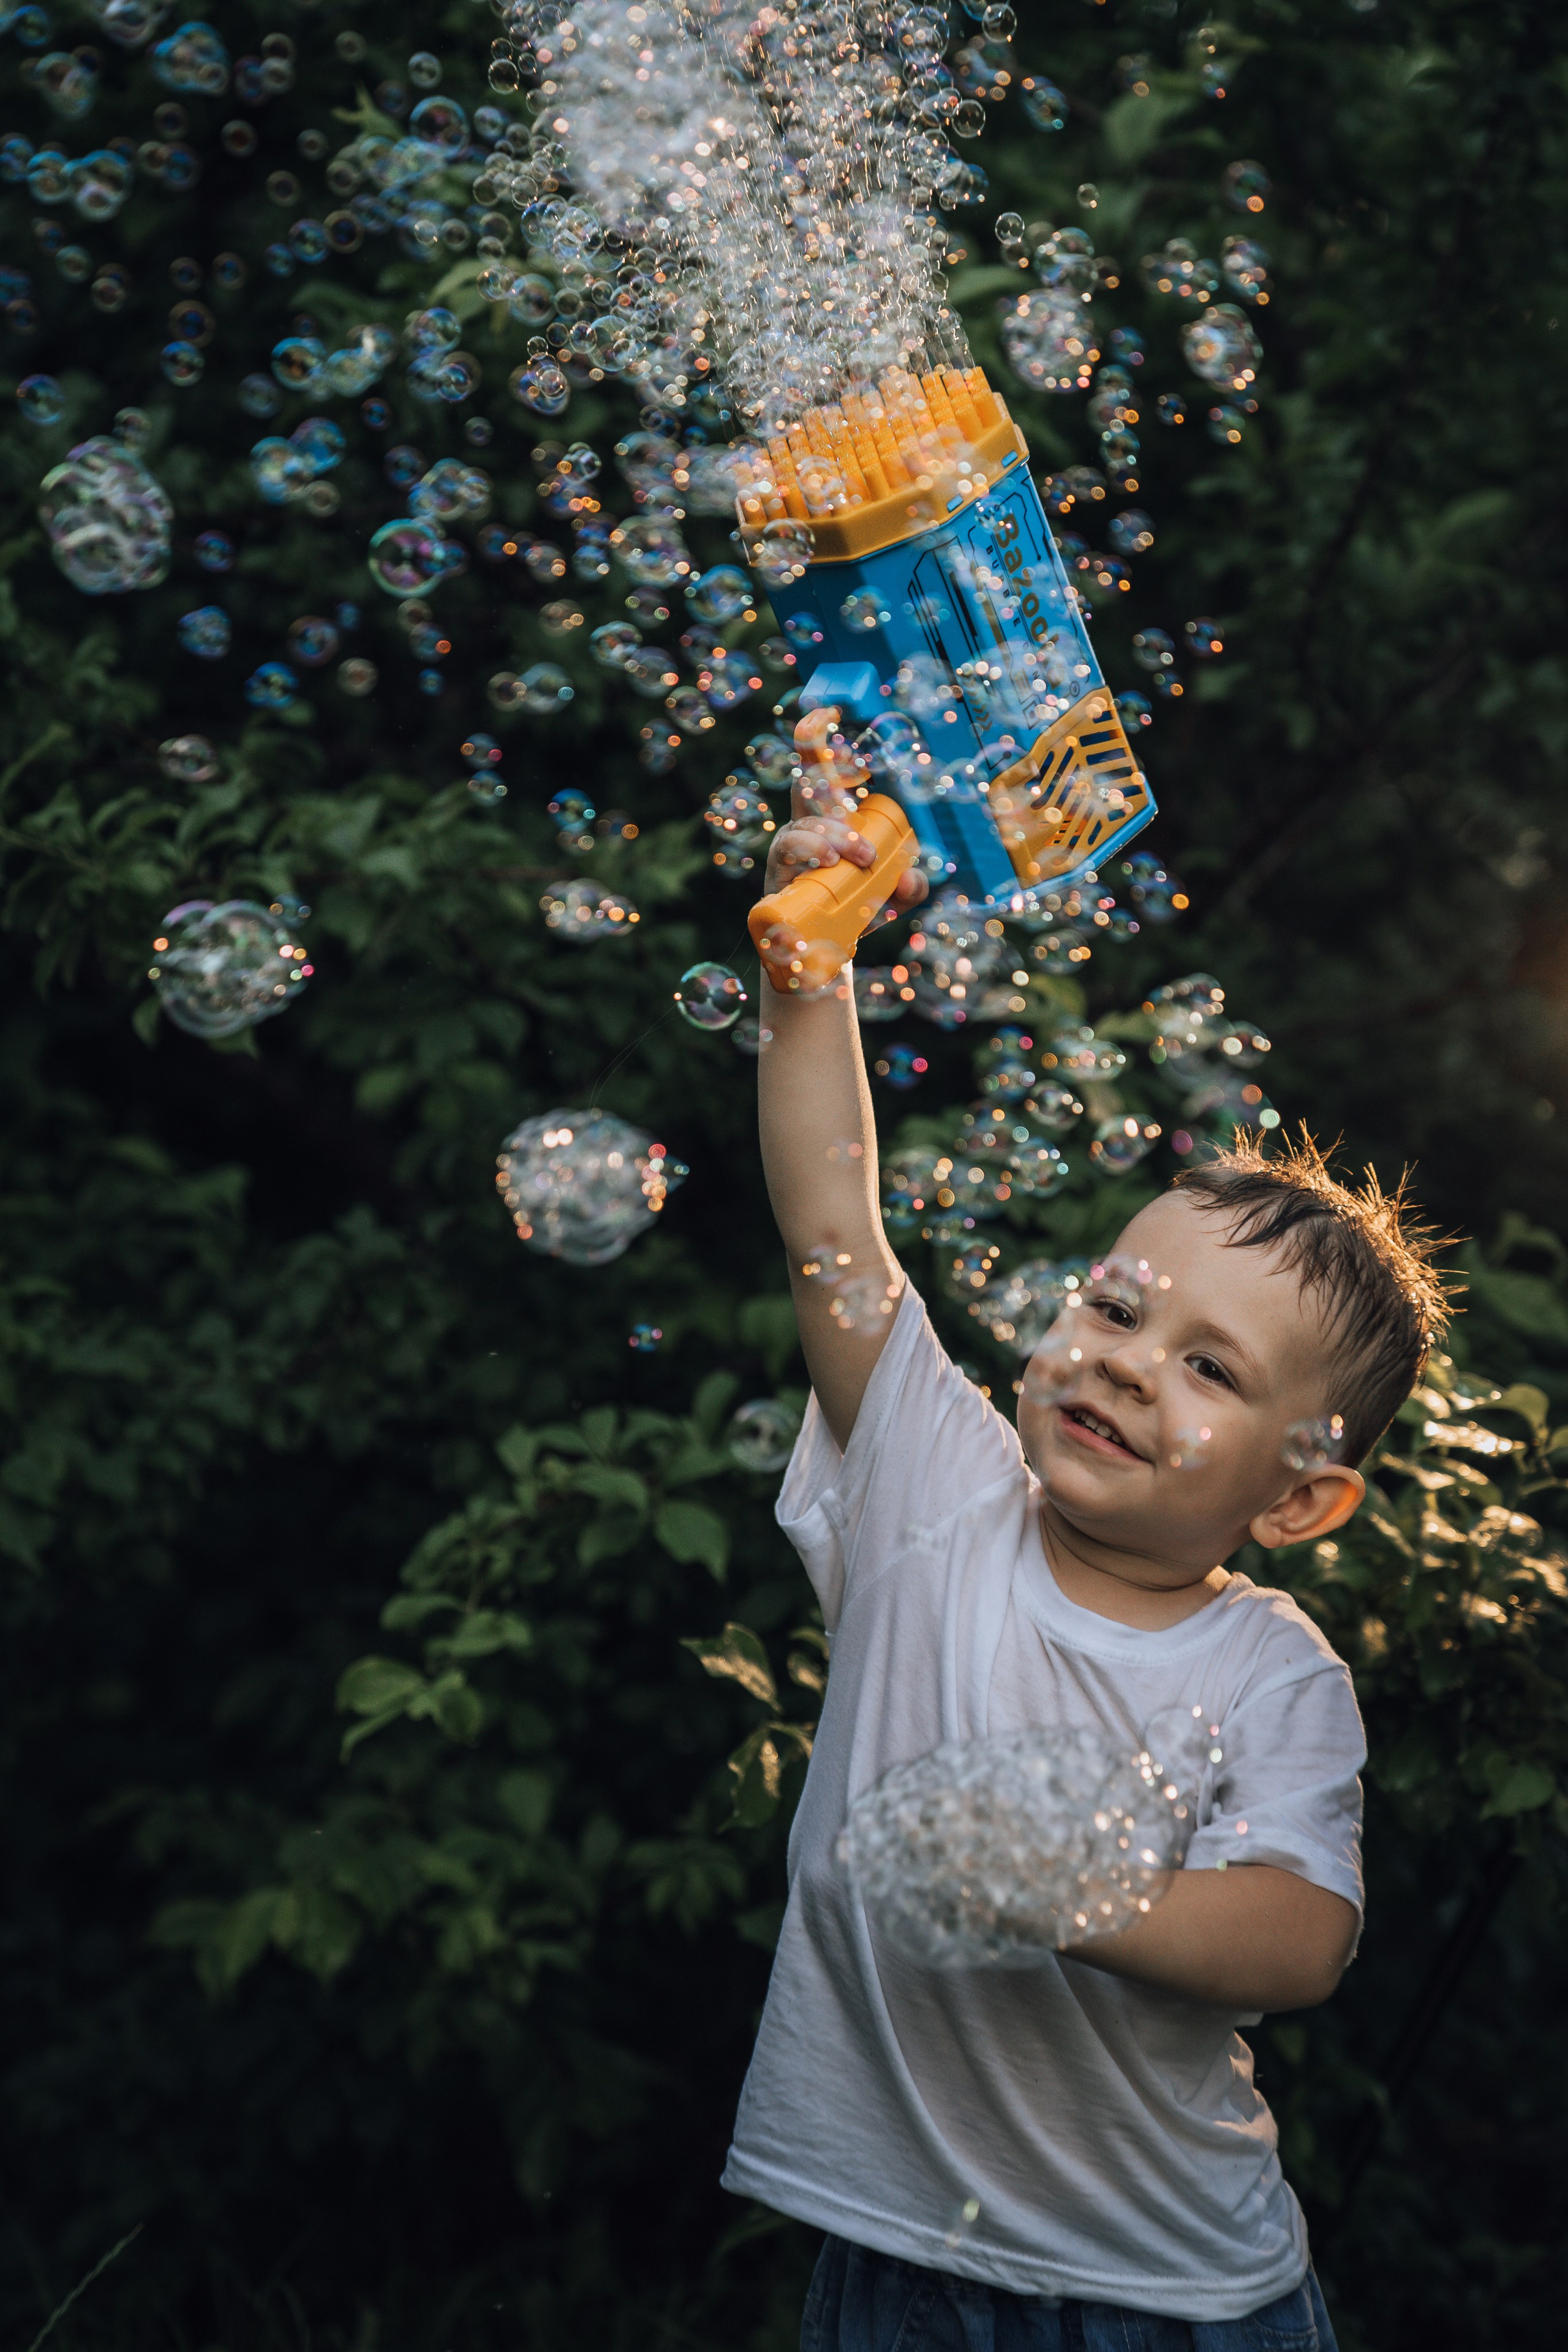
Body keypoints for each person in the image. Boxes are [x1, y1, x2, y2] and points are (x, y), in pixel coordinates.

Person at [720, 786, 1452, 2352]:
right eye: (1116, 1312)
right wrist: (811, 967)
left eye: (1208, 1369)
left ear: (1296, 1499)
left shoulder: (1266, 1669)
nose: (1126, 1368)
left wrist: (1077, 1889)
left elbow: (1297, 1932)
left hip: (1171, 2291)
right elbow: (831, 1219)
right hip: (896, 2259)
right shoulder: (934, 1490)